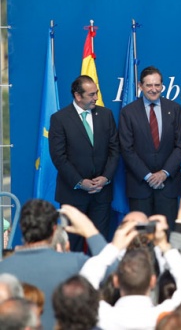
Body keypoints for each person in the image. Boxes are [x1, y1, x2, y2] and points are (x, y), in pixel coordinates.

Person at [0, 199, 107, 330]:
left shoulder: (4, 267)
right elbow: (118, 274)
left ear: (22, 228)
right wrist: (90, 231)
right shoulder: (76, 263)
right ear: (54, 229)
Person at [49, 75, 119, 251]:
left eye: (96, 93)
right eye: (91, 94)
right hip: (73, 195)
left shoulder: (106, 115)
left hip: (101, 193)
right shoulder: (60, 119)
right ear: (77, 96)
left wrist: (106, 177)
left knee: (101, 246)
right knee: (73, 246)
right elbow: (59, 156)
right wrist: (80, 182)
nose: (96, 97)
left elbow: (114, 150)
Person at [119, 66, 181, 228]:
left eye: (157, 85)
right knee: (141, 238)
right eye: (149, 85)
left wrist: (163, 173)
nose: (153, 89)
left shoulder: (174, 109)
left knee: (167, 235)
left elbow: (180, 146)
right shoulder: (128, 112)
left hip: (167, 185)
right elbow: (127, 149)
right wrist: (148, 176)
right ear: (140, 86)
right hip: (140, 185)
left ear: (162, 86)